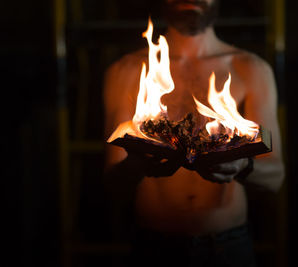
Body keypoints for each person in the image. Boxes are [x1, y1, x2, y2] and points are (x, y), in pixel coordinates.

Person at [103, 0, 285, 266]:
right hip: (153, 246)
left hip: (227, 245)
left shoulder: (251, 70)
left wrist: (241, 166)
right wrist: (137, 164)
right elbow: (111, 182)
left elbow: (275, 177)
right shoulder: (127, 71)